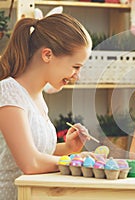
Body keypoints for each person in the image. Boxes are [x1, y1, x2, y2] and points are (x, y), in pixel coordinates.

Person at [0, 13, 92, 199]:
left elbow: (30, 151)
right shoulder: (8, 93)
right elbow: (30, 162)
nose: (77, 76)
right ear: (47, 54)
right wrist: (76, 161)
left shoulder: (36, 97)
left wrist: (67, 149)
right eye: (75, 67)